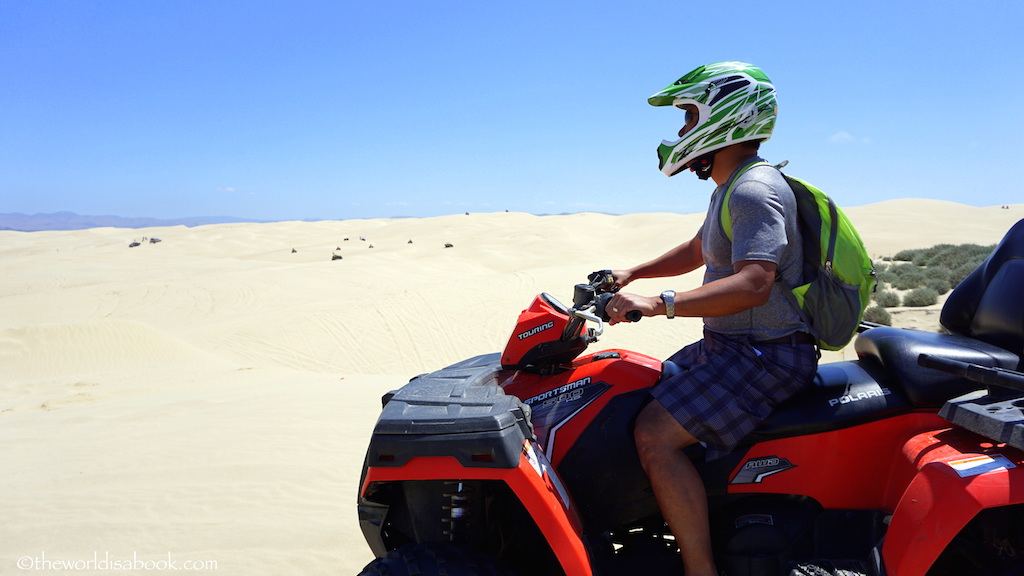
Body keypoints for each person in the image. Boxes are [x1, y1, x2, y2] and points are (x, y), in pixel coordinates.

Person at [604, 61, 819, 576]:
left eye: (689, 116)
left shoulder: (754, 189)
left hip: (765, 354)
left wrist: (660, 302)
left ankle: (700, 569)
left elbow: (753, 283)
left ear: (726, 116)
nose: (681, 132)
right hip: (731, 346)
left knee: (655, 436)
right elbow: (703, 248)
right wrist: (633, 272)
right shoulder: (731, 186)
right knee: (632, 387)